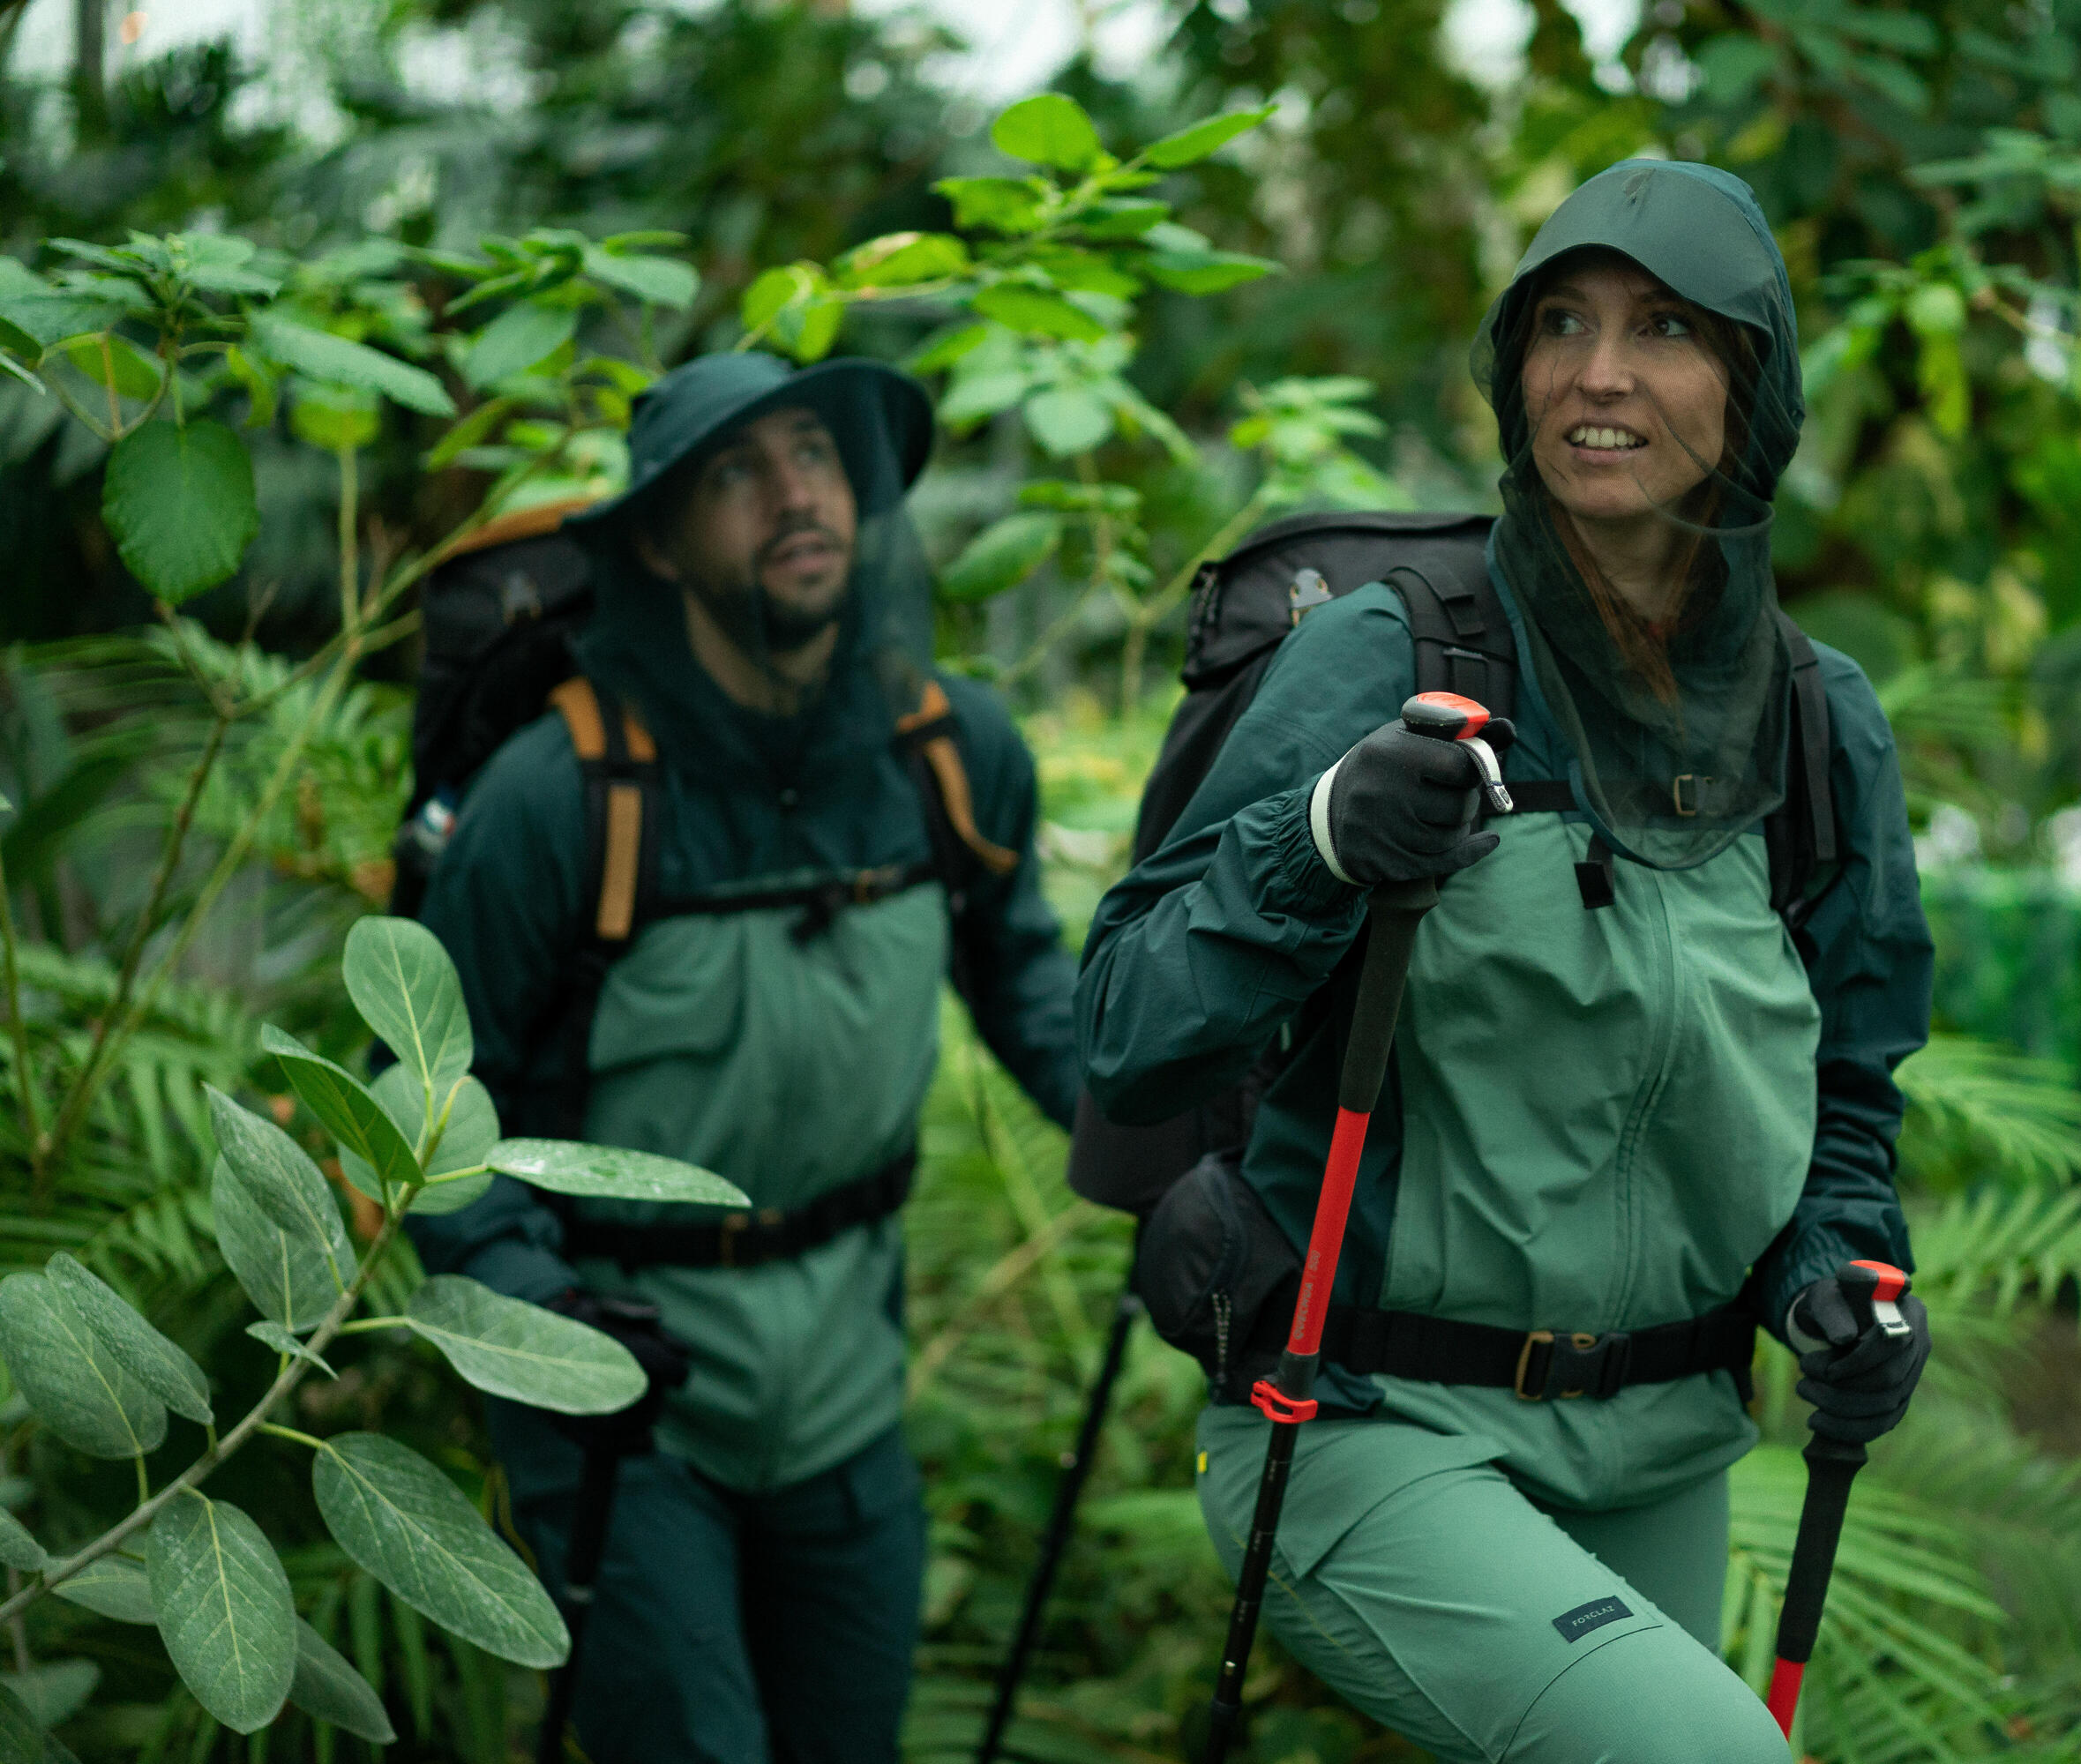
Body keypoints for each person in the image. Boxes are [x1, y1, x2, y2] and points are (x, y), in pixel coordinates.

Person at [1075, 160, 1934, 1761]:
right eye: (1560, 322)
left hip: (1665, 1438)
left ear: (1754, 390)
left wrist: (1837, 1279)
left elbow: (1843, 1098)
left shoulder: (1822, 725)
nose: (1598, 373)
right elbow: (1127, 1019)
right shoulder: (1399, 653)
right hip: (1369, 1426)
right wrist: (1323, 833)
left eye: (1664, 328)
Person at [409, 351, 1081, 1764]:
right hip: (618, 1395)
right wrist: (538, 1307)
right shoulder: (559, 797)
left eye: (819, 457)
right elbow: (427, 1110)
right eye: (737, 472)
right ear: (655, 538)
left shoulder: (949, 753)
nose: (795, 496)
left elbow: (1037, 996)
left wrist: (1186, 1160)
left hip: (845, 1379)